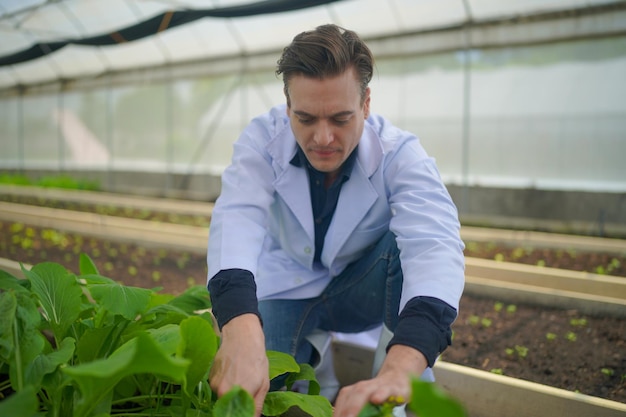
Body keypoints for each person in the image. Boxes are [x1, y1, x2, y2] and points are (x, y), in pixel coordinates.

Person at [206, 24, 465, 417]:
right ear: (287, 103)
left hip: (361, 290)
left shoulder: (400, 155)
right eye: (305, 118)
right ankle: (317, 366)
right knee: (259, 389)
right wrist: (239, 328)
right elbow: (236, 218)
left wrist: (400, 368)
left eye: (340, 118)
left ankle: (395, 391)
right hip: (285, 287)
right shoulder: (262, 140)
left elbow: (436, 246)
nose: (322, 138)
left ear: (365, 104)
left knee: (403, 245)